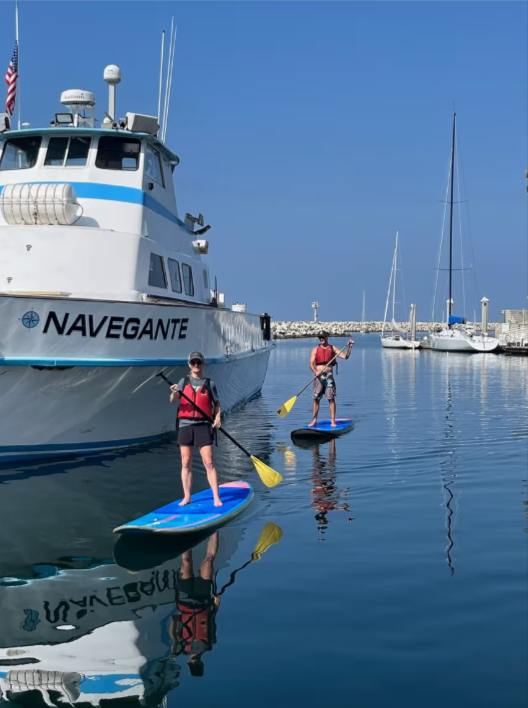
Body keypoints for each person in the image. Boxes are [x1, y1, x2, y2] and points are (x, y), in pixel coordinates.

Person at [170, 351, 223, 507]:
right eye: (193, 363)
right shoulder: (183, 382)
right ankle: (187, 497)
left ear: (202, 364)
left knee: (208, 462)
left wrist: (217, 418)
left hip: (203, 425)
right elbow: (173, 400)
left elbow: (217, 404)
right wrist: (173, 393)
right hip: (185, 425)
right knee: (186, 462)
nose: (196, 365)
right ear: (189, 365)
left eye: (198, 362)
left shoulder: (209, 384)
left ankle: (216, 497)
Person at [170, 532, 221, 677]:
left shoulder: (179, 649)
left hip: (184, 601)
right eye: (198, 663)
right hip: (203, 600)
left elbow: (174, 625)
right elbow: (212, 621)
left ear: (188, 663)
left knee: (186, 562)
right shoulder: (209, 644)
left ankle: (186, 533)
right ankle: (214, 530)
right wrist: (216, 606)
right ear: (202, 663)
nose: (195, 660)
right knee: (208, 561)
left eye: (193, 663)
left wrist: (174, 645)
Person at [309, 333, 354, 427]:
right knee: (316, 398)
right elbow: (311, 364)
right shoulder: (315, 349)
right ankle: (314, 420)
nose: (321, 338)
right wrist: (315, 371)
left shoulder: (333, 348)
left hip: (328, 376)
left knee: (331, 398)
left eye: (323, 337)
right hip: (318, 376)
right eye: (320, 337)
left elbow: (345, 356)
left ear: (327, 337)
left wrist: (349, 347)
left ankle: (333, 421)